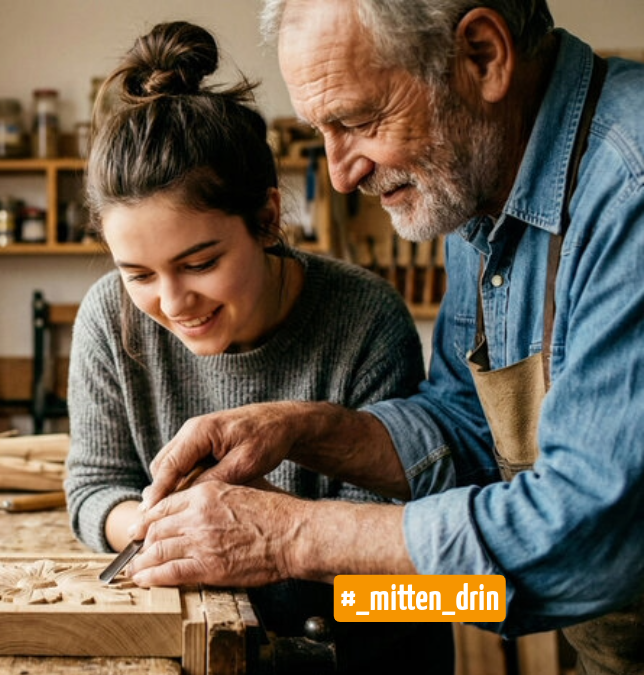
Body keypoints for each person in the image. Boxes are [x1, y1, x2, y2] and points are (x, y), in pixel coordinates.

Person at [131, 2, 644, 673]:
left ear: (483, 57)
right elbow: (470, 427)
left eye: (358, 122)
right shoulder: (481, 183)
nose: (341, 173)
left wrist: (289, 536)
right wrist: (302, 428)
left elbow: (583, 539)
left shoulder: (628, 189)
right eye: (322, 131)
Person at [64, 20, 453, 672]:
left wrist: (264, 530)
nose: (172, 301)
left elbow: (395, 577)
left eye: (200, 262)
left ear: (269, 218)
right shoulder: (110, 318)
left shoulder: (365, 319)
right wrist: (160, 530)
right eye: (139, 274)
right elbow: (93, 486)